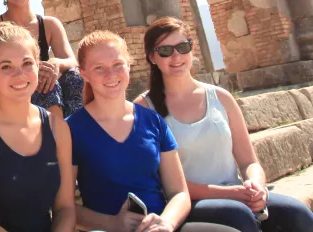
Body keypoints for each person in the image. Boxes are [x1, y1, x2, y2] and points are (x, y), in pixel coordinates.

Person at [137, 19, 313, 232]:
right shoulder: (144, 108)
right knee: (238, 216)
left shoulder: (221, 97)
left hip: (236, 193)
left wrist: (256, 186)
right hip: (186, 202)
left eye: (182, 47)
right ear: (152, 57)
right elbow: (163, 182)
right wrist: (231, 194)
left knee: (297, 215)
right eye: (165, 51)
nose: (176, 56)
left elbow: (249, 161)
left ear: (192, 48)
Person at [68, 32, 238, 232]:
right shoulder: (71, 129)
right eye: (99, 68)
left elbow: (179, 192)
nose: (111, 75)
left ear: (129, 66)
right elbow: (64, 207)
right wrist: (112, 224)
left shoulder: (153, 121)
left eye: (117, 64)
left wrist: (167, 222)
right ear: (84, 74)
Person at [0, 22, 76, 232]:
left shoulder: (58, 128)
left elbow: (65, 208)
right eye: (6, 66)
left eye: (27, 63)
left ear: (38, 65)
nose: (19, 74)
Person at [0, 0, 84, 118]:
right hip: (15, 87)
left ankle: (77, 131)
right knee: (48, 85)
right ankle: (54, 136)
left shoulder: (49, 24)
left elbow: (72, 61)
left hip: (46, 85)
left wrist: (56, 63)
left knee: (75, 78)